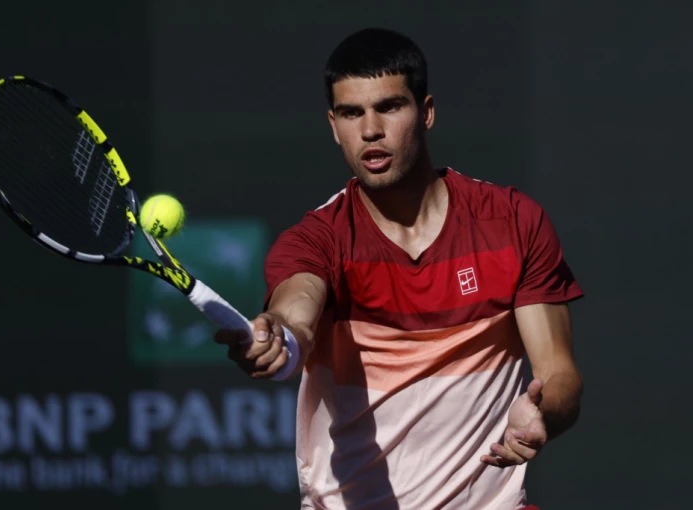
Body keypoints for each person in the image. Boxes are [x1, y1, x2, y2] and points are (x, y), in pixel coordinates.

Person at [215, 27, 584, 510]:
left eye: (389, 107)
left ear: (425, 112)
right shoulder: (317, 240)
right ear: (334, 126)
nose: (370, 130)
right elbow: (295, 313)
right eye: (352, 113)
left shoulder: (513, 223)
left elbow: (559, 374)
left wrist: (543, 414)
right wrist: (279, 338)